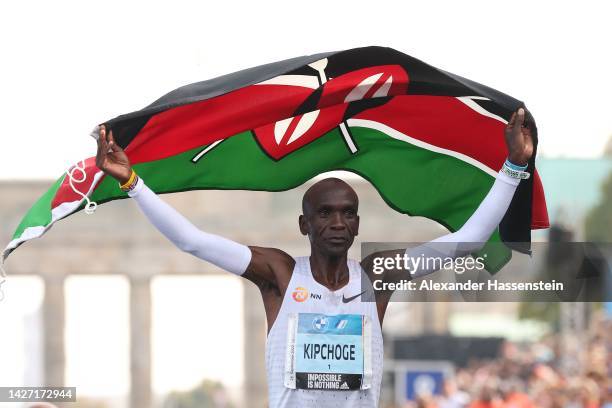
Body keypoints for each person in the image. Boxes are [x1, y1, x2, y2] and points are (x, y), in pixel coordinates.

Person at [95, 108, 534, 408]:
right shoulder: (280, 275)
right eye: (325, 214)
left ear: (359, 226)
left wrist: (515, 166)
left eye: (348, 214)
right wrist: (132, 181)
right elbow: (192, 240)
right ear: (305, 225)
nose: (337, 223)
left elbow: (468, 241)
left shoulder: (377, 278)